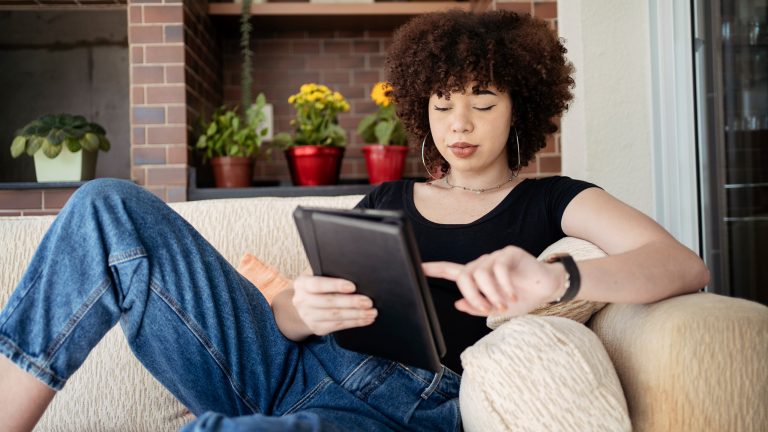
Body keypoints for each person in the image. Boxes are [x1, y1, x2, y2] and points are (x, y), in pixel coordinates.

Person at [0, 9, 709, 432]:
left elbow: (683, 265)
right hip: (285, 363)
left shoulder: (551, 199)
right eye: (441, 104)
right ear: (420, 113)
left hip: (395, 410)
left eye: (483, 102)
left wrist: (555, 278)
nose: (459, 123)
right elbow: (289, 314)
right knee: (106, 206)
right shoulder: (386, 199)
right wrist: (297, 307)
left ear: (521, 107)